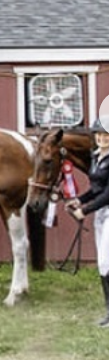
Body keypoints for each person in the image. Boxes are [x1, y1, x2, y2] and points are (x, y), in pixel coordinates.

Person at [66, 119, 109, 326]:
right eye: (99, 134)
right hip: (101, 213)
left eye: (106, 135)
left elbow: (108, 194)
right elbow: (96, 189)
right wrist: (80, 200)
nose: (101, 138)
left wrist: (84, 210)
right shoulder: (96, 156)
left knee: (105, 262)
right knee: (103, 263)